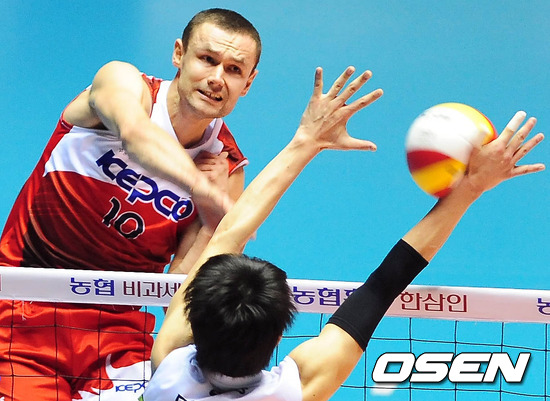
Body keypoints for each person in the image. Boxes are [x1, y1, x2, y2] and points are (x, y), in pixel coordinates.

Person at [142, 66, 545, 401]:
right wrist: (471, 186)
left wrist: (305, 141)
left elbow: (229, 233)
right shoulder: (297, 390)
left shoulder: (168, 364)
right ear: (280, 335)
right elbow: (384, 284)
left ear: (189, 313)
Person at [0, 8, 262, 401]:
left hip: (119, 332)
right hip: (24, 309)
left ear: (248, 82)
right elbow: (135, 133)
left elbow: (179, 295)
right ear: (179, 54)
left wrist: (212, 226)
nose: (216, 78)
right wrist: (202, 191)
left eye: (234, 69)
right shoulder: (123, 83)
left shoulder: (226, 165)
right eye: (207, 59)